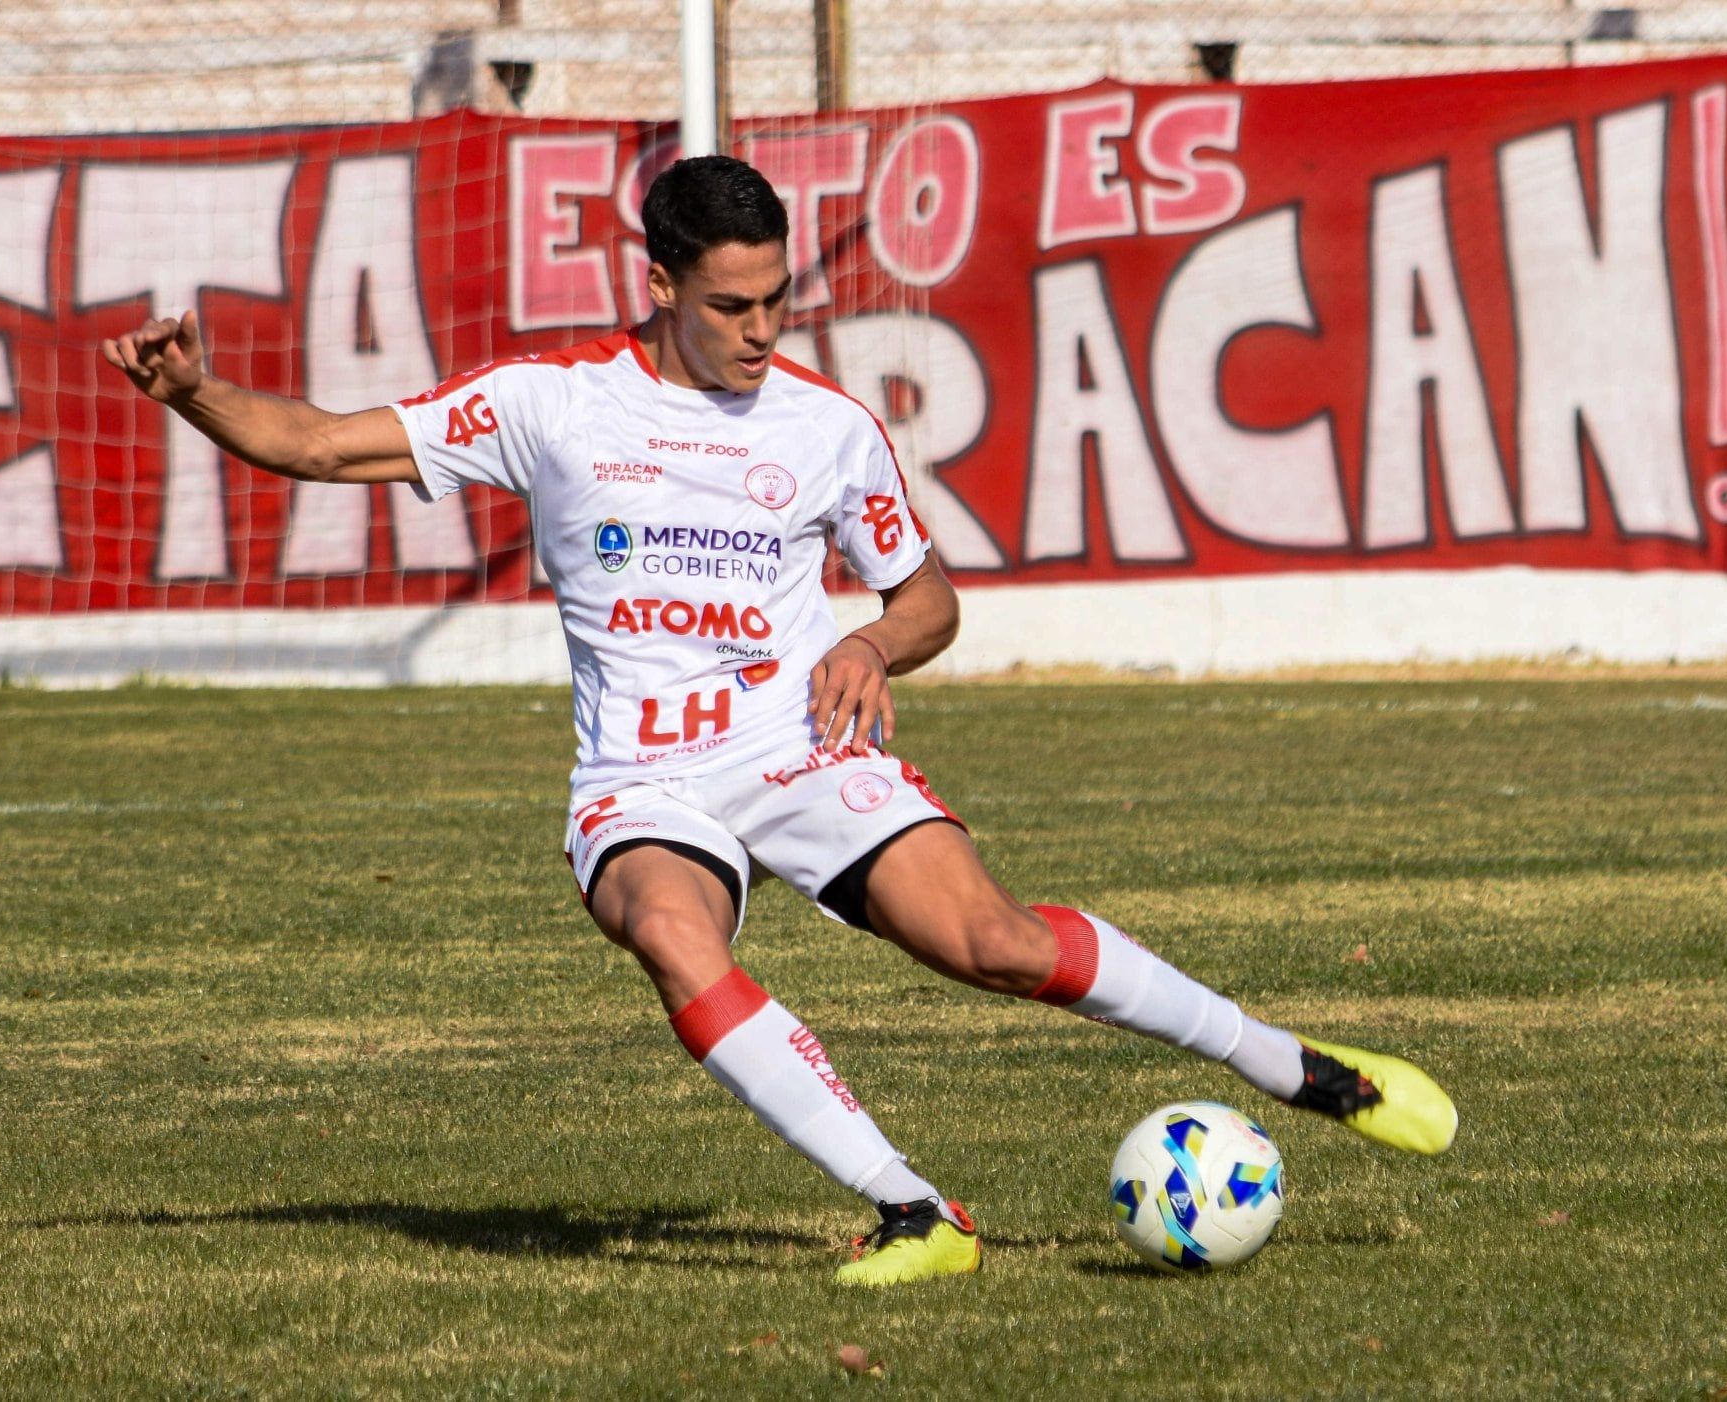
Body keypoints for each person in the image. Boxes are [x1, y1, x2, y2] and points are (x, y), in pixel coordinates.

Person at [101, 154, 1455, 1288]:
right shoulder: (551, 407)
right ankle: (917, 1210)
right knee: (666, 929)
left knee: (997, 943)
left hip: (796, 749)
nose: (761, 329)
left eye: (778, 299)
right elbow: (325, 443)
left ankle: (1298, 1067)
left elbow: (929, 599)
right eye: (732, 304)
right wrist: (193, 395)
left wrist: (870, 638)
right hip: (645, 779)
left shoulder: (825, 428)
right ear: (660, 286)